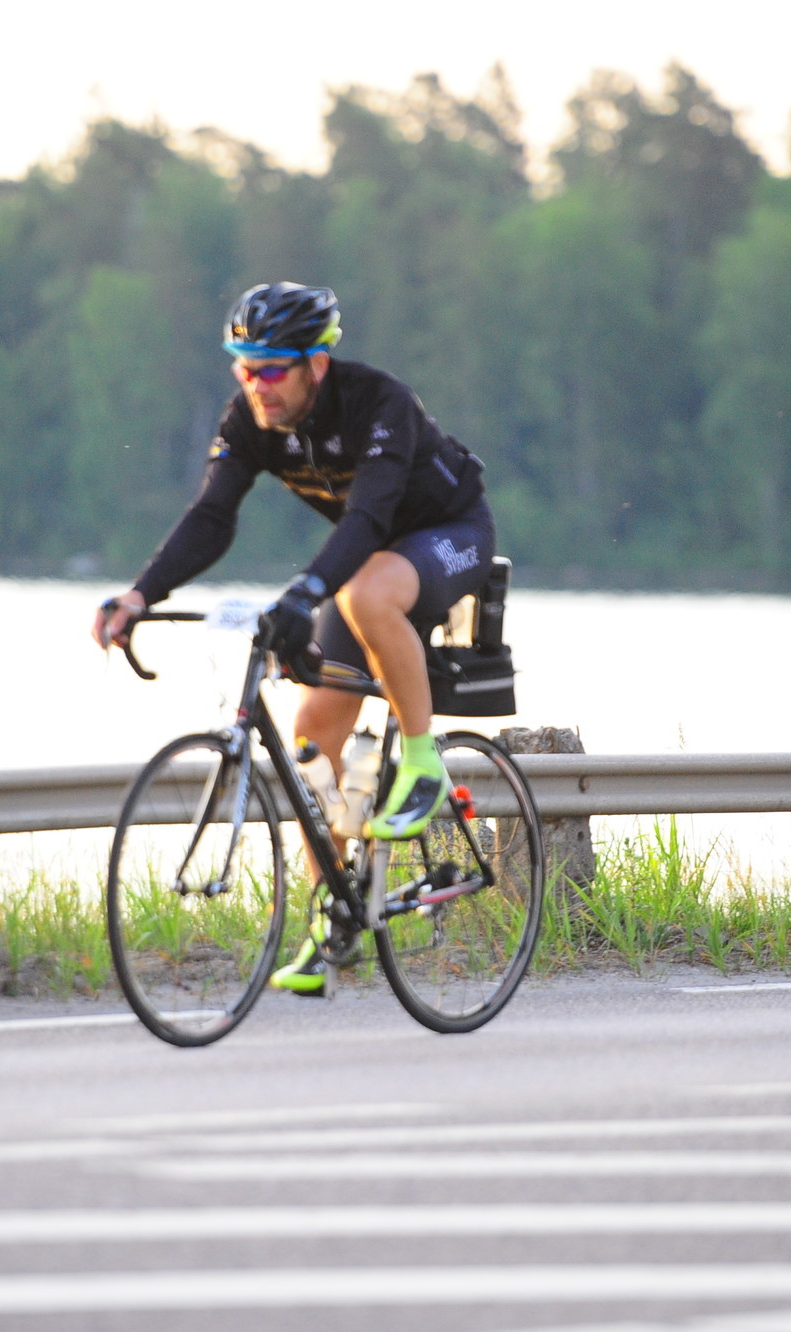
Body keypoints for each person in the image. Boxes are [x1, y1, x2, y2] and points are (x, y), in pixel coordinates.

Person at [91, 282, 497, 994]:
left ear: (317, 363)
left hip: (447, 536)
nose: (257, 384)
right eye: (245, 368)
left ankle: (423, 763)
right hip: (367, 560)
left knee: (364, 594)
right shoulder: (251, 420)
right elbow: (212, 517)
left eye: (273, 369)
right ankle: (331, 920)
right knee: (314, 737)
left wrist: (304, 595)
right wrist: (140, 593)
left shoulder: (379, 403)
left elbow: (369, 519)